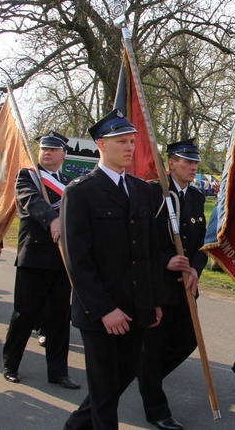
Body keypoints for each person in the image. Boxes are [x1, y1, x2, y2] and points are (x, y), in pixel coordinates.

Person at [61, 109, 164, 429]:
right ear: (101, 145)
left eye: (132, 141)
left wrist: (154, 299)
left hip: (136, 305)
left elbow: (149, 251)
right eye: (122, 142)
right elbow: (77, 259)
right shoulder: (79, 192)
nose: (130, 148)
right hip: (100, 313)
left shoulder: (141, 189)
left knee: (119, 382)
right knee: (105, 393)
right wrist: (105, 310)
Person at [137, 139, 206, 430]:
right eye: (185, 161)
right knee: (154, 347)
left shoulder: (197, 197)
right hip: (157, 283)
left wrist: (196, 271)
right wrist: (166, 260)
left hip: (184, 285)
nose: (192, 167)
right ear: (171, 163)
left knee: (188, 340)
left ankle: (145, 377)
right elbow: (140, 240)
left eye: (194, 162)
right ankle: (156, 408)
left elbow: (201, 244)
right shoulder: (154, 193)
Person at [1, 131, 79, 389]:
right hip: (34, 256)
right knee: (25, 313)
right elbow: (30, 201)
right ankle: (10, 364)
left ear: (63, 155)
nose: (47, 152)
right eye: (44, 148)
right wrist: (52, 219)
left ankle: (58, 371)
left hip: (61, 258)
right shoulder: (28, 177)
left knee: (59, 317)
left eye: (53, 149)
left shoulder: (70, 182)